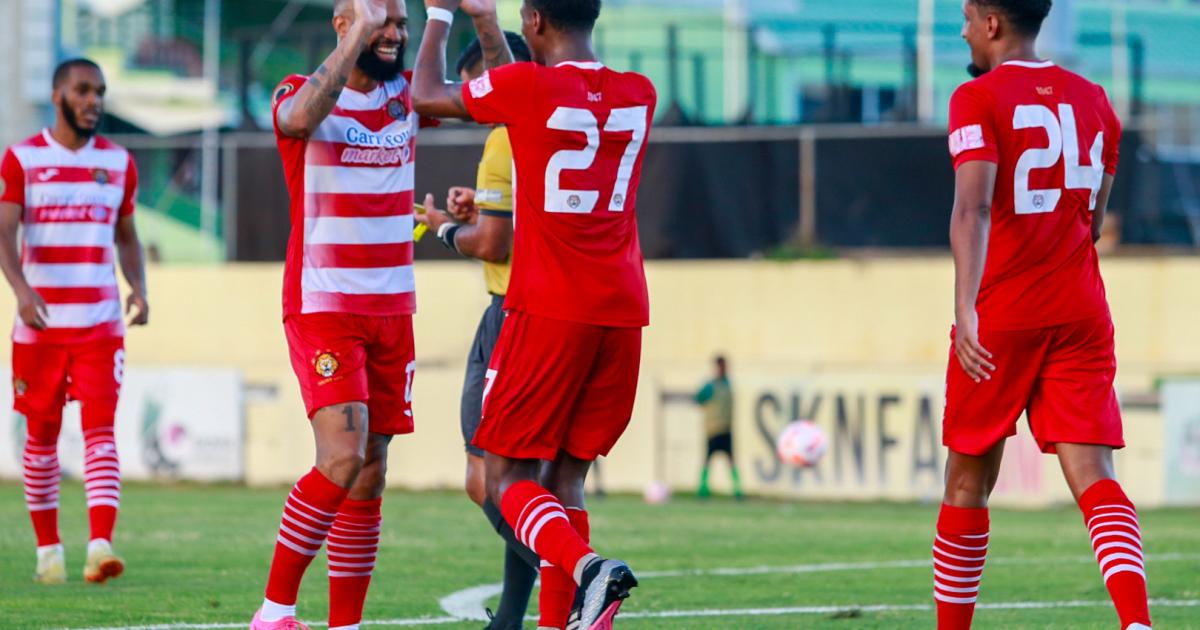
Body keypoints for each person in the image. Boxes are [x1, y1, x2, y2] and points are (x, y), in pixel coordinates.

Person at [412, 0, 657, 627]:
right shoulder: (639, 94)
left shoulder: (527, 86)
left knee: (506, 479)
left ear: (537, 21)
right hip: (623, 310)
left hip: (550, 308)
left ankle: (590, 570)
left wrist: (440, 14)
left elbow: (426, 94)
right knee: (566, 479)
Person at [938, 1, 1149, 628]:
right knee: (1095, 475)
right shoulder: (1095, 100)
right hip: (1081, 307)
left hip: (1004, 310)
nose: (963, 30)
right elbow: (1092, 217)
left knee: (966, 483)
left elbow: (972, 209)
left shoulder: (976, 98)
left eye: (968, 17)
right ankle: (1136, 622)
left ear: (992, 22)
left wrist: (965, 307)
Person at [252, 0, 425, 627]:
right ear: (342, 24)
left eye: (401, 22)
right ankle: (274, 611)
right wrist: (359, 36)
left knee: (371, 469)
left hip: (393, 310)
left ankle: (345, 624)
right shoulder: (299, 92)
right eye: (381, 18)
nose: (394, 32)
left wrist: (476, 22)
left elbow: (485, 93)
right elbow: (298, 120)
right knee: (343, 455)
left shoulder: (406, 96)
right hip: (325, 304)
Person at [0, 57, 149, 585]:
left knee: (100, 433)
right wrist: (20, 292)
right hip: (39, 329)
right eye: (83, 90)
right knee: (40, 437)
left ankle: (100, 546)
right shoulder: (22, 159)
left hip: (99, 325)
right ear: (58, 93)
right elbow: (4, 231)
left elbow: (127, 235)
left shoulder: (118, 163)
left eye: (100, 92)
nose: (94, 101)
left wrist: (139, 288)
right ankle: (48, 553)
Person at [415, 31, 540, 630]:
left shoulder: (502, 138)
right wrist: (474, 212)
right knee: (493, 477)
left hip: (511, 316)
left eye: (473, 86)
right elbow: (509, 225)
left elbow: (494, 243)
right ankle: (518, 611)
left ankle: (570, 566)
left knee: (497, 477)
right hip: (516, 309)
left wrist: (443, 228)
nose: (467, 99)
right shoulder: (538, 131)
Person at [694, 356, 742, 499]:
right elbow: (698, 398)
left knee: (731, 461)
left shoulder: (728, 384)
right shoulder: (710, 385)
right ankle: (703, 490)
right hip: (713, 430)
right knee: (708, 461)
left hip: (726, 429)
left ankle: (738, 491)